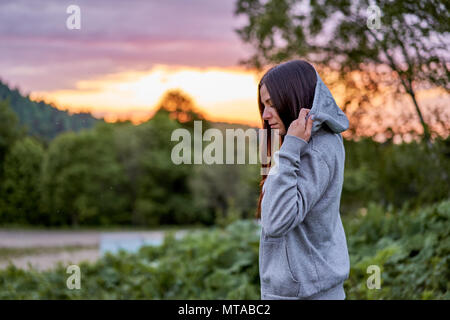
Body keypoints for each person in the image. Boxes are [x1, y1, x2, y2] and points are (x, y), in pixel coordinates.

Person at [257, 59, 350, 300]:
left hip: (307, 294)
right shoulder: (305, 145)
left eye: (272, 104)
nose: (265, 115)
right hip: (302, 291)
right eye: (263, 105)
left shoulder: (314, 148)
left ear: (293, 98)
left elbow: (276, 222)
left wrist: (291, 147)